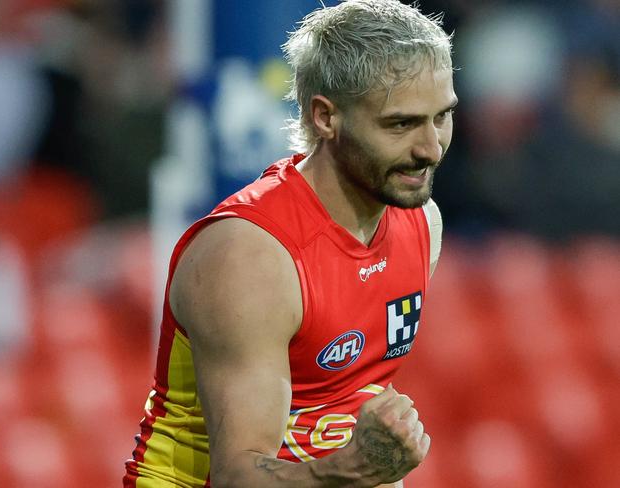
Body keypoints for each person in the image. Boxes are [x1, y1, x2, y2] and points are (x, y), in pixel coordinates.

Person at [124, 1, 456, 486]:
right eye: (401, 124)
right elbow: (238, 474)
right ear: (325, 117)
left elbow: (346, 408)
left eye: (441, 117)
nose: (430, 148)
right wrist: (350, 469)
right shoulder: (251, 255)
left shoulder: (422, 223)